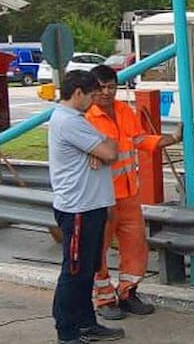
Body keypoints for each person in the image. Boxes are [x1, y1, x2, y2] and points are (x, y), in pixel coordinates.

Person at [86, 65, 183, 320]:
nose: (106, 92)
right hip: (101, 197)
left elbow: (139, 140)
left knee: (135, 245)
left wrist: (170, 139)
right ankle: (104, 299)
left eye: (111, 87)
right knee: (98, 250)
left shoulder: (123, 111)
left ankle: (128, 292)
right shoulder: (85, 117)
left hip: (129, 194)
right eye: (101, 88)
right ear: (91, 89)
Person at [48, 70, 124, 344]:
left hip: (90, 205)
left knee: (86, 270)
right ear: (78, 93)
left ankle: (85, 322)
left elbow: (111, 142)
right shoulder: (69, 121)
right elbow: (111, 152)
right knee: (75, 271)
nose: (95, 100)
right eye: (92, 95)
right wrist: (102, 150)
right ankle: (67, 330)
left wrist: (102, 149)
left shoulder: (76, 119)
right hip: (78, 207)